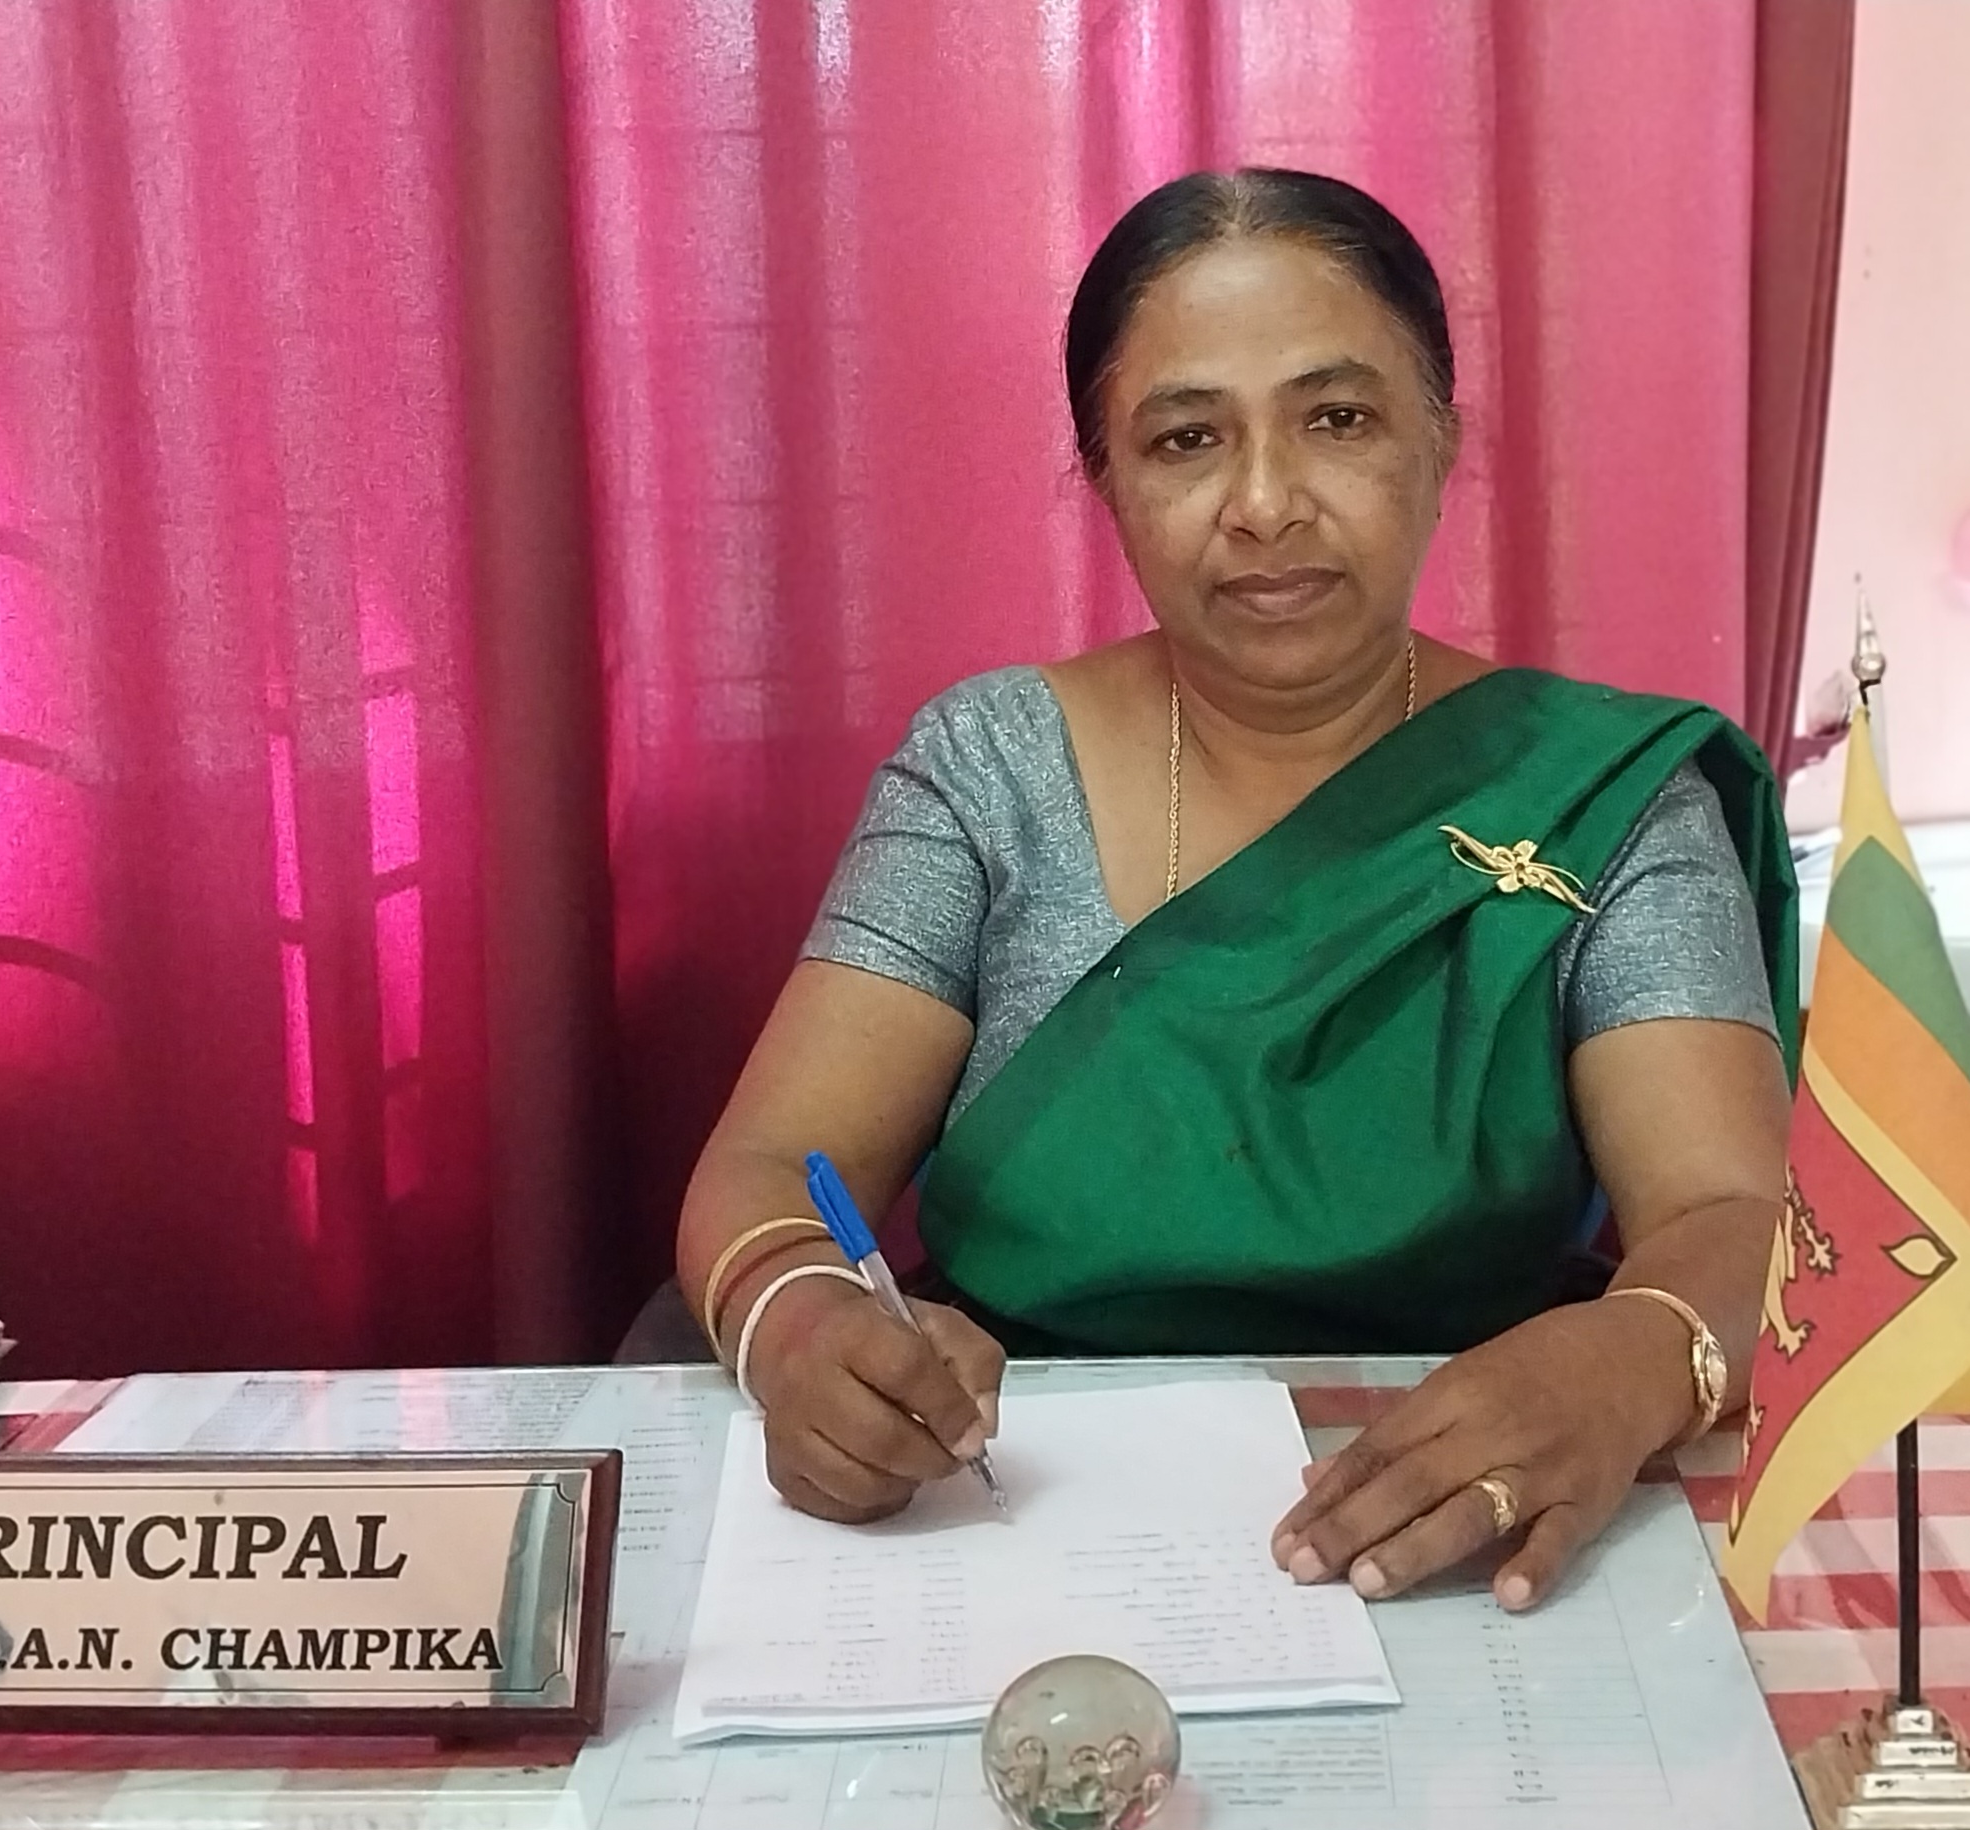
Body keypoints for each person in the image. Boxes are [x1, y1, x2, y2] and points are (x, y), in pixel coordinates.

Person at [676, 168, 1796, 1613]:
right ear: (1107, 481)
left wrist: (1627, 1362)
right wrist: (802, 1327)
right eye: (1187, 439)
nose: (1265, 504)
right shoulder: (990, 768)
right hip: (1016, 1513)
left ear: (1441, 439)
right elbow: (771, 1164)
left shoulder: (1602, 789)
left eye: (1337, 419)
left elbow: (1733, 1211)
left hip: (1476, 1508)